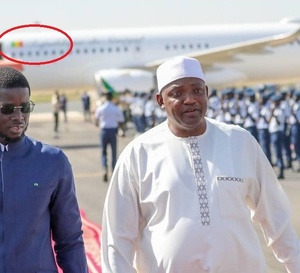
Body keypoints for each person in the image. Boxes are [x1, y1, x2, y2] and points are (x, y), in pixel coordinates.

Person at [101, 56, 300, 272]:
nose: (190, 99)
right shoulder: (138, 153)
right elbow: (117, 241)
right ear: (160, 100)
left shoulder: (240, 141)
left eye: (197, 91)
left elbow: (277, 220)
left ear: (206, 93)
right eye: (177, 93)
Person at [0, 66, 88, 273]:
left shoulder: (52, 162)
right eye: (7, 109)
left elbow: (70, 240)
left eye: (25, 107)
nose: (19, 116)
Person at [94, 92, 125, 182]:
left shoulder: (101, 108)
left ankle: (104, 169)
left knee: (104, 152)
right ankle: (113, 171)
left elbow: (95, 119)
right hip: (113, 131)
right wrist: (122, 130)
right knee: (114, 152)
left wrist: (99, 123)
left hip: (104, 131)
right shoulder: (115, 108)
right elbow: (121, 120)